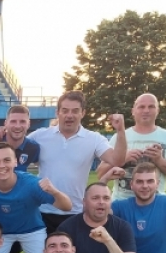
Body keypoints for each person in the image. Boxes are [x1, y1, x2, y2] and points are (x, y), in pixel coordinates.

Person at [26, 91, 127, 233]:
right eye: (65, 110)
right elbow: (13, 151)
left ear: (82, 113)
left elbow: (117, 160)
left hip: (75, 213)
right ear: (57, 113)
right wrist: (2, 132)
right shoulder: (40, 135)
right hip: (42, 211)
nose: (69, 115)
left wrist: (120, 131)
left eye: (75, 111)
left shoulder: (93, 139)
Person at [0, 142, 71, 253]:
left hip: (32, 230)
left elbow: (67, 206)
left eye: (7, 160)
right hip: (0, 232)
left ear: (15, 162)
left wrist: (55, 192)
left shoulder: (31, 184)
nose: (2, 165)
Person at [97, 93, 166, 201]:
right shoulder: (119, 137)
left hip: (156, 203)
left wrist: (159, 160)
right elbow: (100, 173)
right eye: (141, 107)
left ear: (157, 111)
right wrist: (122, 159)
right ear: (133, 111)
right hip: (121, 202)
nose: (146, 110)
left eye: (151, 106)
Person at [0, 104, 40, 176]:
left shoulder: (33, 147)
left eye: (22, 121)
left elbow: (44, 163)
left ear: (28, 124)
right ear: (6, 123)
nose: (17, 126)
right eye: (13, 121)